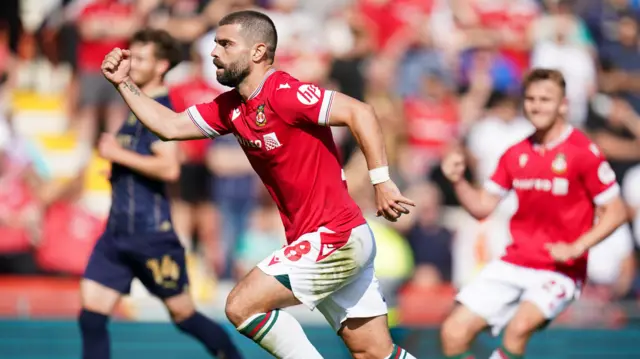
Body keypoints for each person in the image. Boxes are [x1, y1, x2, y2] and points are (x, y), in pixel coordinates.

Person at [100, 10, 417, 359]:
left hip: (335, 236)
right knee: (374, 353)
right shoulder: (232, 107)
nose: (214, 52)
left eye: (225, 44)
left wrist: (381, 181)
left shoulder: (284, 93)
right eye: (215, 43)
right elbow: (171, 127)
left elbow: (361, 113)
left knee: (242, 305)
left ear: (257, 51)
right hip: (332, 238)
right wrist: (123, 83)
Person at [439, 68, 627, 359]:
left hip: (559, 269)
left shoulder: (583, 152)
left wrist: (577, 247)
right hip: (516, 260)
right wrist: (458, 181)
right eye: (530, 99)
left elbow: (617, 211)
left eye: (545, 99)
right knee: (453, 332)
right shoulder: (515, 153)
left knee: (518, 328)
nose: (536, 106)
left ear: (563, 104)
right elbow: (481, 207)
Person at [79, 29, 242, 359]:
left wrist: (117, 155)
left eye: (140, 58)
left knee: (184, 316)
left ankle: (231, 355)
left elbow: (169, 169)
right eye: (130, 55)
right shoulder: (135, 106)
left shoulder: (161, 110)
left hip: (150, 234)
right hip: (116, 233)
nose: (131, 62)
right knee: (91, 317)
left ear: (161, 65)